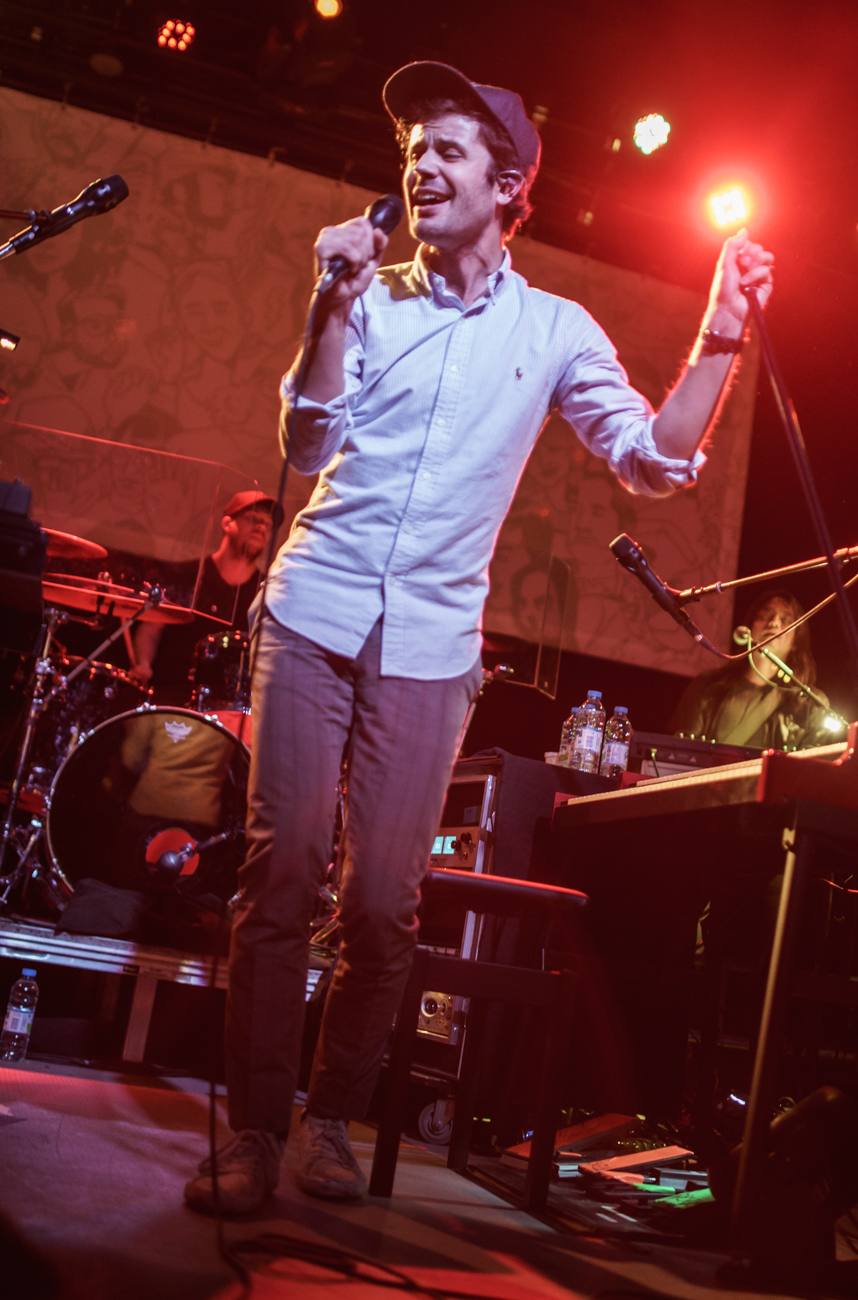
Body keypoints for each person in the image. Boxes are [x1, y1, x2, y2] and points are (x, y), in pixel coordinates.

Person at [183, 60, 774, 1214]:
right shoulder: (370, 295)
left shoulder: (552, 330)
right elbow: (304, 449)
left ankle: (327, 1120)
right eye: (414, 150)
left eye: (447, 150)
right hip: (314, 610)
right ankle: (251, 1129)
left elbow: (655, 463)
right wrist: (329, 303)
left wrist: (721, 333)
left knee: (382, 902)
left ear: (508, 186)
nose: (421, 166)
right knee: (285, 869)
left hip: (432, 643)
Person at [130, 490, 276, 704]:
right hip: (171, 700)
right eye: (253, 519)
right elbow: (151, 630)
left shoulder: (268, 593)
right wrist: (143, 664)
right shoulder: (186, 575)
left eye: (267, 524)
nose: (261, 528)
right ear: (227, 524)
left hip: (231, 708)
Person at [670, 589, 830, 750]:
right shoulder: (707, 686)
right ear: (748, 629)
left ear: (796, 640)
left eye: (785, 619)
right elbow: (683, 752)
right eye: (765, 615)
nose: (774, 623)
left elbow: (810, 762)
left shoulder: (811, 704)